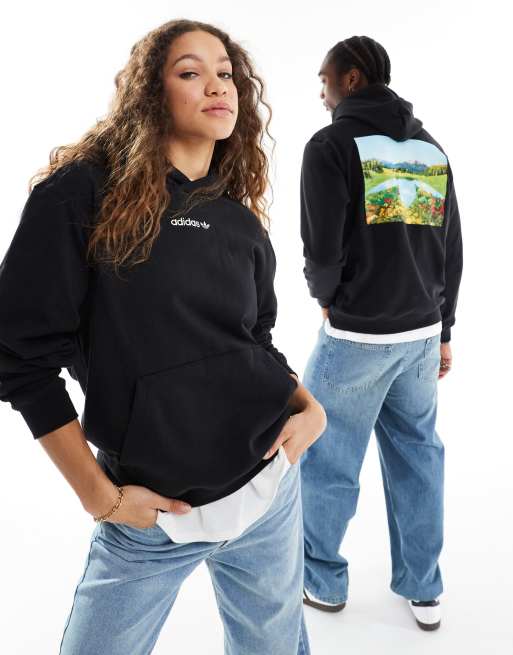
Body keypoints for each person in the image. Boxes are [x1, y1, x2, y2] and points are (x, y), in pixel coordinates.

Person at [0, 19, 327, 654]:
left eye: (226, 73)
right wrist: (97, 496)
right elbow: (19, 358)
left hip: (267, 495)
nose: (218, 85)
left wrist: (307, 407)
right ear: (152, 91)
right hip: (151, 518)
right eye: (191, 71)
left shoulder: (238, 221)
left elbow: (254, 341)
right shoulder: (82, 195)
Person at [298, 35, 463, 631]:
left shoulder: (330, 145)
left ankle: (322, 581)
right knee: (419, 457)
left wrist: (326, 298)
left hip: (357, 338)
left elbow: (321, 248)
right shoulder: (429, 147)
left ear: (352, 78)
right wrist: (444, 328)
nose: (321, 93)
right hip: (420, 335)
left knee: (325, 458)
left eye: (325, 80)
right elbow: (451, 248)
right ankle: (424, 588)